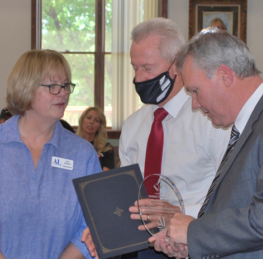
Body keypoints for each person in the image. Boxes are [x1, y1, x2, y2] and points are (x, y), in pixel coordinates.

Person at [82, 18, 231, 259]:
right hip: (141, 247)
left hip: (194, 244)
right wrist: (104, 226)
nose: (139, 79)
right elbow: (128, 195)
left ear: (177, 65)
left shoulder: (210, 120)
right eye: (134, 68)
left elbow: (229, 195)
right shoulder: (133, 126)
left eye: (148, 68)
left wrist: (178, 215)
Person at [150, 28, 263, 259]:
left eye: (195, 91)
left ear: (225, 76)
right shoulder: (255, 123)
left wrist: (193, 232)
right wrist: (194, 244)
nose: (195, 105)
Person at [0, 49, 101, 258]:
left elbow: (93, 221)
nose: (63, 92)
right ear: (25, 88)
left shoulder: (83, 154)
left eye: (65, 85)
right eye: (53, 86)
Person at [77, 106, 114, 171]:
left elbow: (105, 176)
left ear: (100, 126)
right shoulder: (72, 144)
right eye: (89, 118)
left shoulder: (107, 148)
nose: (91, 122)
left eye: (96, 120)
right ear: (82, 120)